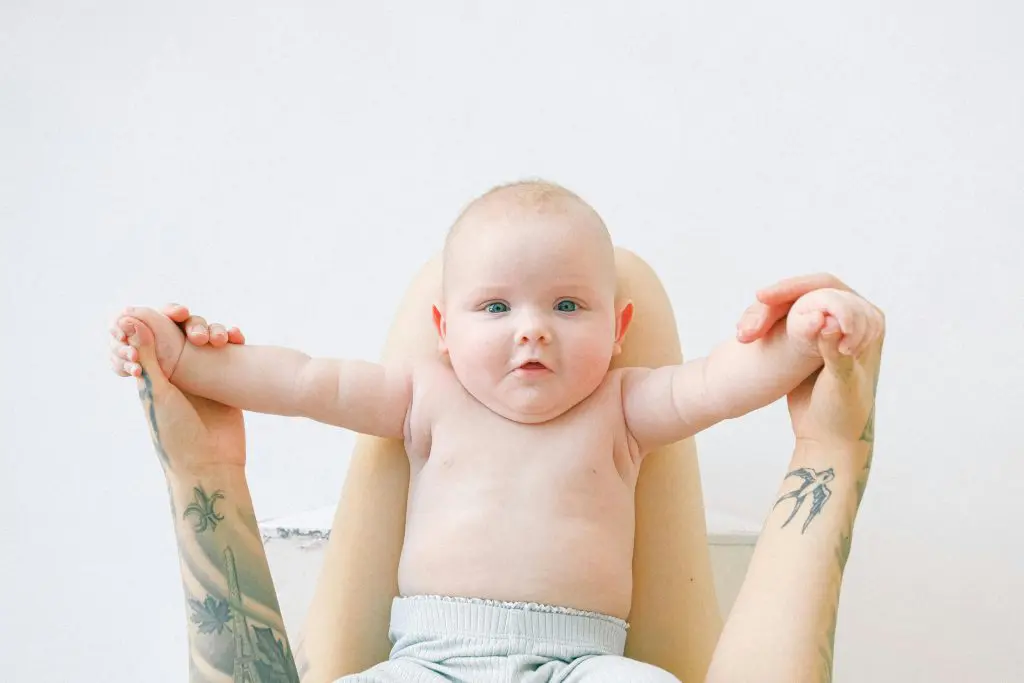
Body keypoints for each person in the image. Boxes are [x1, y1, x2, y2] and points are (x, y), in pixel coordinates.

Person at [111, 182, 882, 681]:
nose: (533, 331)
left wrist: (812, 337)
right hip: (430, 659)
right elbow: (304, 379)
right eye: (497, 307)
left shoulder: (625, 406)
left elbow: (720, 379)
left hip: (587, 660)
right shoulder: (422, 395)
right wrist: (185, 360)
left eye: (567, 306)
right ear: (441, 328)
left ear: (620, 329)